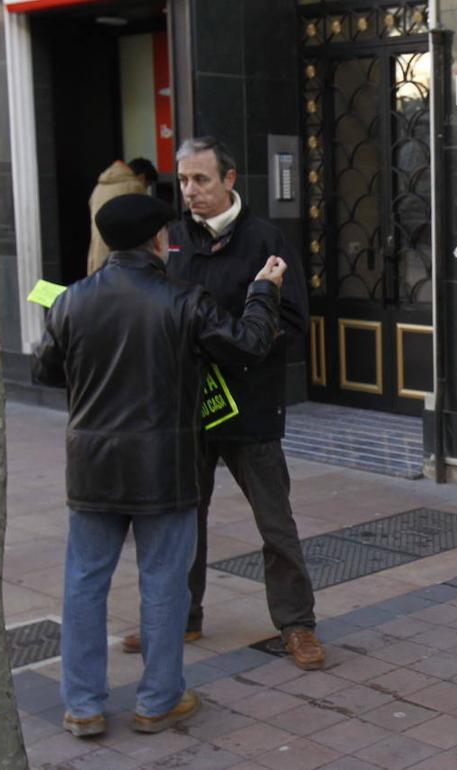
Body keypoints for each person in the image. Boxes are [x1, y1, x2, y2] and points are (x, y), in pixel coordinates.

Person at [32, 194, 285, 737]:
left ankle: (83, 704)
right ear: (157, 242)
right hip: (164, 468)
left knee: (83, 584)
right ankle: (157, 700)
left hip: (93, 465)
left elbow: (47, 372)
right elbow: (248, 345)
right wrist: (264, 290)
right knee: (165, 583)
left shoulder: (71, 302)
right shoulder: (183, 300)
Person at [118, 136, 325, 670]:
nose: (190, 191)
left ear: (229, 180)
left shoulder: (266, 239)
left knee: (275, 524)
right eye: (183, 181)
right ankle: (182, 617)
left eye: (201, 180)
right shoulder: (171, 240)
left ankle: (297, 625)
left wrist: (237, 344)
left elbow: (294, 319)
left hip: (250, 407)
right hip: (187, 407)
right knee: (183, 518)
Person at [86, 158, 158, 275]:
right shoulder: (134, 187)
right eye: (147, 185)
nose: (146, 188)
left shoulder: (99, 187)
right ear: (142, 177)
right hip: (121, 261)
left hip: (97, 255)